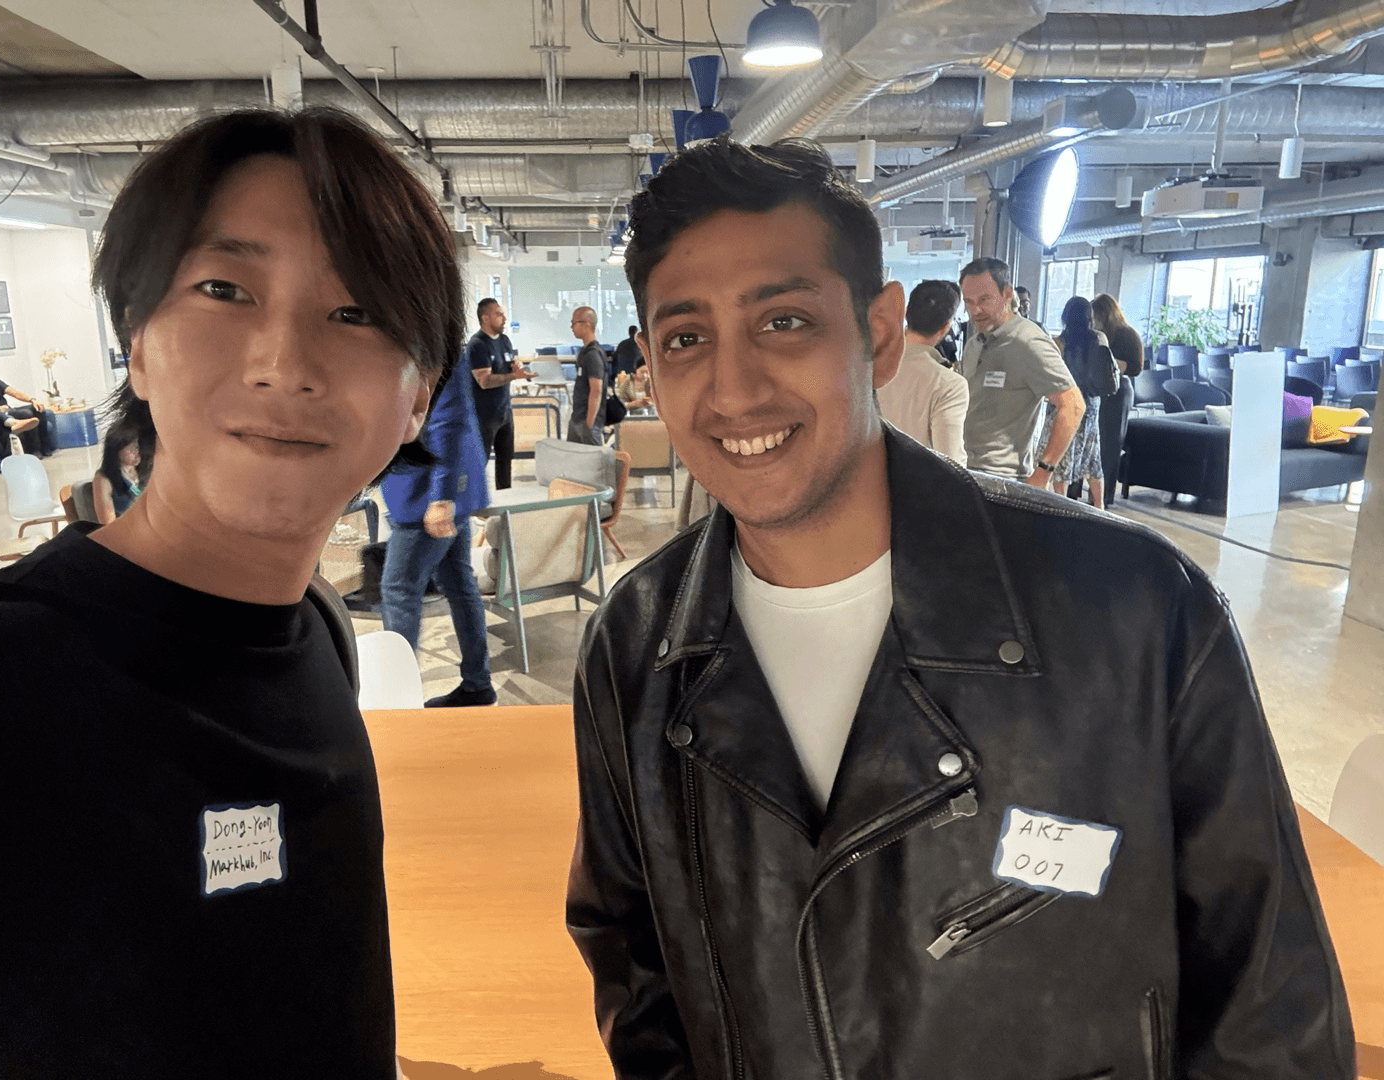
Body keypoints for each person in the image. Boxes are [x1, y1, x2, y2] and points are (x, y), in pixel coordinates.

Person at [565, 136, 1353, 1079]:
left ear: (879, 332)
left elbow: (1270, 1009)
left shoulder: (1133, 609)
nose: (733, 390)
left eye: (784, 321)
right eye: (687, 339)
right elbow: (632, 956)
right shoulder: (638, 646)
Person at [0, 106, 463, 1078]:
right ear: (138, 343)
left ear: (418, 397)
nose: (285, 365)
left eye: (356, 313)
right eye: (225, 289)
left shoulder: (314, 628)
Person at [379, 352, 495, 708]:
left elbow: (448, 418)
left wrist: (442, 495)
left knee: (399, 591)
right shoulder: (427, 337)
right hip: (436, 487)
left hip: (427, 491)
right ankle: (477, 684)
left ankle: (397, 701)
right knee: (459, 583)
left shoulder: (429, 340)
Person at [959, 257, 1084, 483]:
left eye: (984, 299)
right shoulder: (975, 343)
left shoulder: (1028, 341)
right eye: (969, 301)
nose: (975, 310)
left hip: (1003, 477)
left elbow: (1073, 405)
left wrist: (1043, 471)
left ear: (1006, 294)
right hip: (965, 468)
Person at [876, 279, 969, 465]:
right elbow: (950, 462)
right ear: (945, 327)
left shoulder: (869, 367)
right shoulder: (949, 385)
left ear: (907, 314)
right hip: (917, 481)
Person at [1035, 295, 1110, 507]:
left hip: (1064, 404)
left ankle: (1061, 505)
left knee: (1061, 456)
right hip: (1091, 405)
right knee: (1093, 458)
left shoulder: (1058, 344)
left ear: (1065, 317)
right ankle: (1099, 507)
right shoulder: (1100, 339)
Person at [468, 297, 535, 489]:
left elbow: (509, 365)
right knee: (479, 463)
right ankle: (474, 501)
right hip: (484, 416)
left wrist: (516, 368)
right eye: (499, 314)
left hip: (504, 412)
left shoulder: (504, 341)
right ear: (485, 318)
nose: (504, 318)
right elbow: (484, 381)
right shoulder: (477, 345)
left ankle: (505, 498)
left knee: (505, 460)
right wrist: (513, 376)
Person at [90, 417, 155, 524]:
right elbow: (108, 524)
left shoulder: (145, 470)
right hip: (129, 529)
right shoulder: (103, 480)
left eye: (138, 446)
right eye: (131, 448)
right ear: (116, 449)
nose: (137, 451)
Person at [567, 304, 607, 444]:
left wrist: (589, 424)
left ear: (586, 324)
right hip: (577, 418)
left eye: (574, 323)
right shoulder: (585, 352)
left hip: (587, 422)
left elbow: (596, 390)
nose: (571, 327)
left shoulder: (593, 354)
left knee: (591, 457)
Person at [1093, 292, 1145, 377]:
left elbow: (1136, 368)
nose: (1093, 322)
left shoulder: (1128, 335)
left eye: (1095, 318)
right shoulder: (1100, 333)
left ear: (1104, 316)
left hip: (1120, 380)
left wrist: (1109, 362)